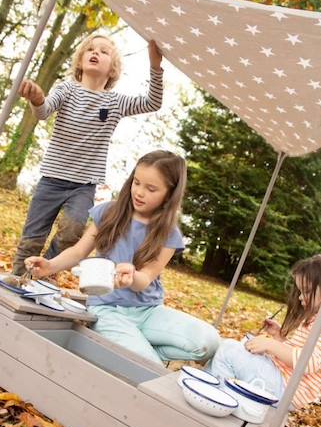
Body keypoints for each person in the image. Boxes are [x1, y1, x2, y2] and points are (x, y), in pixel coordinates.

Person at [25, 150, 220, 365]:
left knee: (208, 342)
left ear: (169, 194)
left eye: (151, 188)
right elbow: (79, 251)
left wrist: (132, 276)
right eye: (136, 182)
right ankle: (146, 353)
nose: (139, 192)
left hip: (148, 311)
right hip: (106, 309)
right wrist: (49, 265)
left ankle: (149, 349)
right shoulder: (109, 212)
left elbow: (145, 279)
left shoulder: (169, 234)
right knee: (148, 365)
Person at [13, 34, 164, 275]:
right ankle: (19, 276)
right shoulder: (66, 89)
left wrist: (155, 67)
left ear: (113, 69)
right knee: (33, 236)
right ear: (80, 61)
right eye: (90, 49)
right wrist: (37, 99)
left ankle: (45, 275)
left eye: (104, 52)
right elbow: (43, 112)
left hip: (83, 186)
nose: (96, 53)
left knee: (72, 232)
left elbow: (152, 102)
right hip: (51, 179)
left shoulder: (115, 102)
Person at [208, 253, 321, 408]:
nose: (300, 297)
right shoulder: (320, 320)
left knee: (228, 350)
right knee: (238, 347)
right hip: (282, 380)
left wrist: (271, 345)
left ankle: (219, 399)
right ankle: (217, 387)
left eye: (306, 291)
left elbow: (307, 362)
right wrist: (279, 337)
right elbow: (298, 352)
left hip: (285, 388)